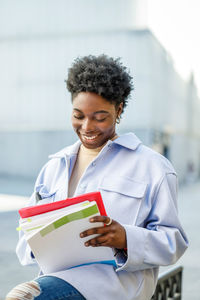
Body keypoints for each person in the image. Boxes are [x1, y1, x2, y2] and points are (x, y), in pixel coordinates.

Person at [6, 54, 188, 300]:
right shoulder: (54, 167)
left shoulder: (153, 167)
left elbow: (174, 243)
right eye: (78, 116)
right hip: (57, 279)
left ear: (119, 109)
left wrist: (125, 238)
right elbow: (24, 239)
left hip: (113, 287)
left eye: (99, 117)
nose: (87, 127)